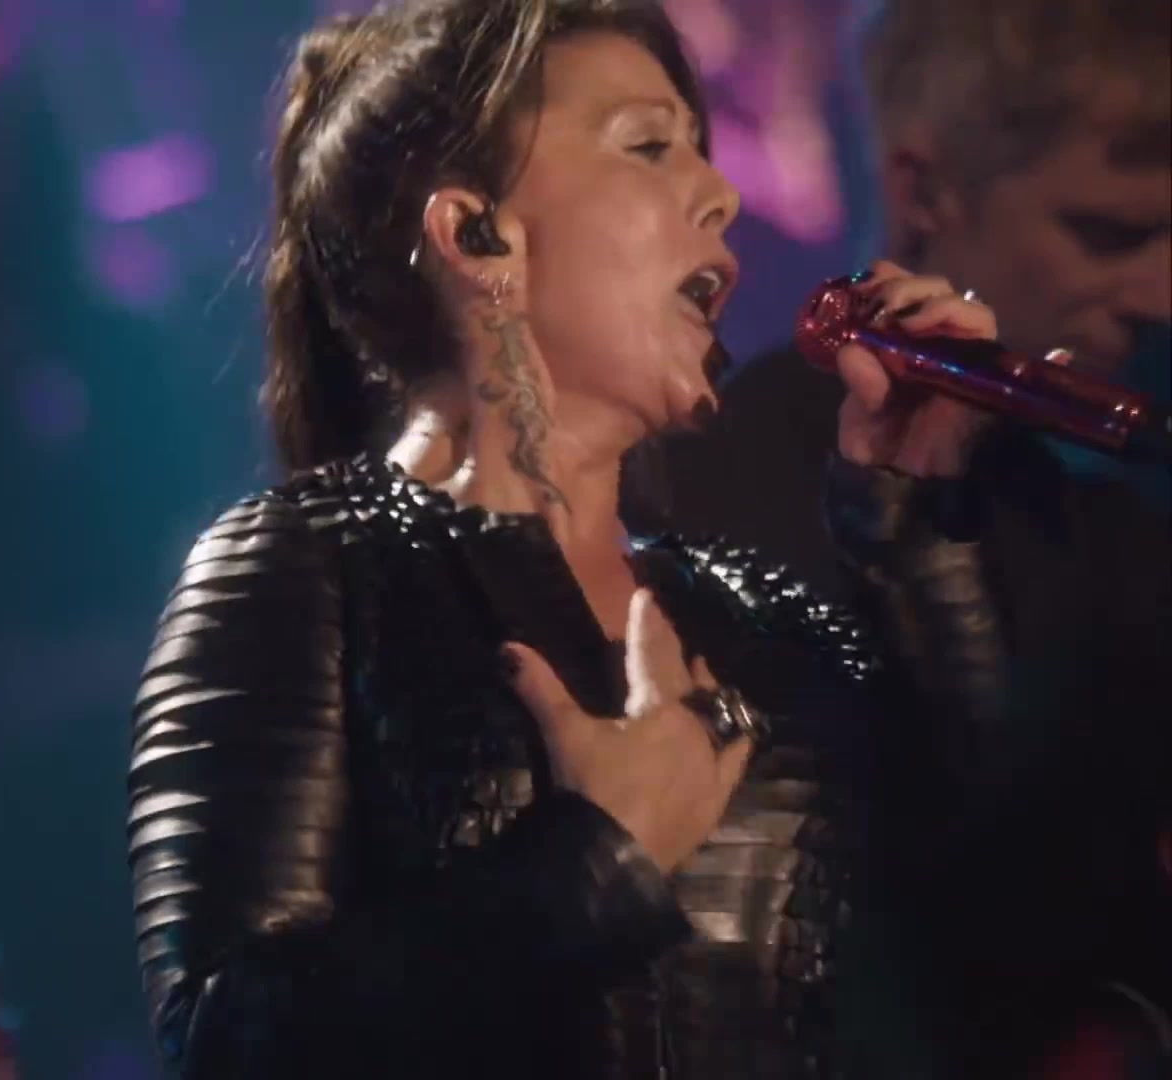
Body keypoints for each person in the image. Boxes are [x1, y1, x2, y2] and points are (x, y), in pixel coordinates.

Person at [125, 1, 1008, 1075]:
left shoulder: (750, 609)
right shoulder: (304, 566)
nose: (723, 194)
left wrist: (915, 527)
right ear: (475, 234)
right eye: (648, 145)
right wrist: (595, 865)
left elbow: (994, 915)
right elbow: (228, 1040)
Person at [632, 1, 1172, 1072]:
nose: (1163, 294)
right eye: (1106, 233)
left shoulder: (1115, 515)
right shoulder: (708, 485)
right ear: (926, 192)